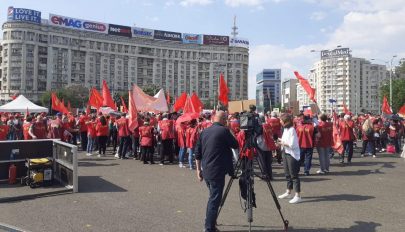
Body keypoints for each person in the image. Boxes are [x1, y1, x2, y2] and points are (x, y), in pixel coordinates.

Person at [195, 111, 239, 232]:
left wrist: (198, 170)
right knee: (214, 200)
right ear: (224, 120)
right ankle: (209, 227)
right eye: (226, 119)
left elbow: (197, 153)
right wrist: (229, 129)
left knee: (212, 197)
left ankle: (211, 221)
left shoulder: (204, 132)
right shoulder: (224, 131)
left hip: (207, 170)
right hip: (217, 171)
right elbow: (235, 144)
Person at [277, 113, 302, 204]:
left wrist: (281, 143)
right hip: (285, 152)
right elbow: (285, 141)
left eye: (281, 120)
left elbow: (291, 144)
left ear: (285, 121)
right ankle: (288, 191)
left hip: (291, 154)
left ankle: (298, 195)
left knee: (294, 175)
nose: (280, 121)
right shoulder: (286, 129)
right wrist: (280, 140)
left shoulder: (292, 130)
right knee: (287, 174)